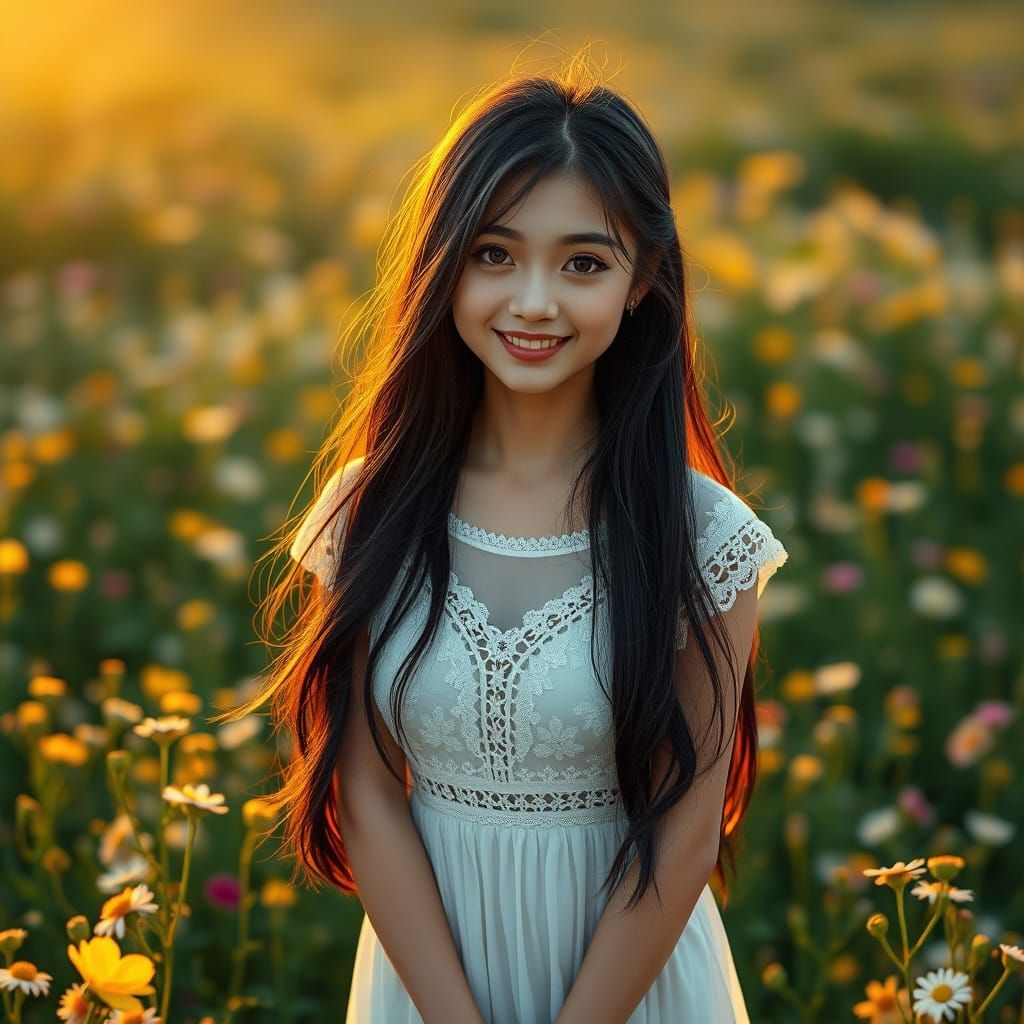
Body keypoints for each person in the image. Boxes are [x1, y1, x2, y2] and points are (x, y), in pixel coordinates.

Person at [225, 60, 789, 1024]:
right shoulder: (370, 509)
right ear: (444, 263)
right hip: (427, 983)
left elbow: (688, 834)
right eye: (494, 255)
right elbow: (364, 790)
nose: (533, 302)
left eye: (582, 263)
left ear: (642, 279)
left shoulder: (707, 536)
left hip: (636, 990)